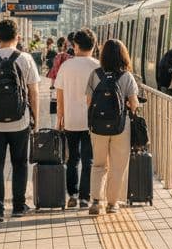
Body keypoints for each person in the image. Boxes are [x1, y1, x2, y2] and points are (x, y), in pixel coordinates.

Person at [0, 18, 42, 222]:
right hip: (20, 121)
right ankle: (19, 207)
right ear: (17, 37)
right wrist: (35, 119)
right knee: (20, 163)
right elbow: (34, 92)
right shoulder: (26, 59)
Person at [86, 38, 140, 215]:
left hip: (98, 127)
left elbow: (88, 101)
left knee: (98, 164)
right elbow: (133, 104)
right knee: (117, 166)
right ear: (123, 56)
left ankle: (95, 201)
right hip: (120, 127)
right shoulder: (127, 77)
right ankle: (112, 204)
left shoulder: (95, 75)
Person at [55, 29, 99, 209]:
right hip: (93, 121)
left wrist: (59, 118)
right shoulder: (97, 66)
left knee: (72, 158)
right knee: (89, 160)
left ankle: (71, 195)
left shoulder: (67, 66)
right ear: (94, 45)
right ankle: (84, 198)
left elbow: (60, 94)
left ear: (76, 45)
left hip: (71, 120)